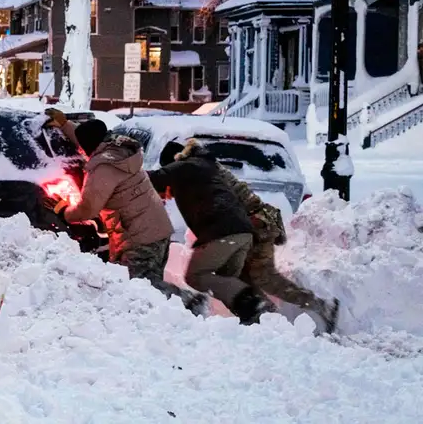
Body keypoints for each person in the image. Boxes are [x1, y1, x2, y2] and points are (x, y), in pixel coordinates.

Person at [161, 140, 340, 333]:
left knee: (263, 277)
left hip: (255, 222)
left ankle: (315, 307)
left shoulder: (198, 172)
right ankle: (268, 321)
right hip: (250, 223)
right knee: (243, 280)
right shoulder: (204, 167)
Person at [42, 109, 207, 316]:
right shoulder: (117, 149)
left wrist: (64, 211)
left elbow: (88, 208)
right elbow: (87, 138)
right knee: (145, 286)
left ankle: (190, 302)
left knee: (139, 287)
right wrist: (66, 125)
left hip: (140, 237)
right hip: (156, 229)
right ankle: (162, 322)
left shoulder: (104, 167)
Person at [149, 140, 272, 325]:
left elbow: (154, 177)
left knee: (195, 275)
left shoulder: (185, 166)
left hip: (223, 231)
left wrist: (126, 175)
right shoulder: (204, 166)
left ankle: (256, 305)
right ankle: (266, 320)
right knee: (228, 282)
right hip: (241, 231)